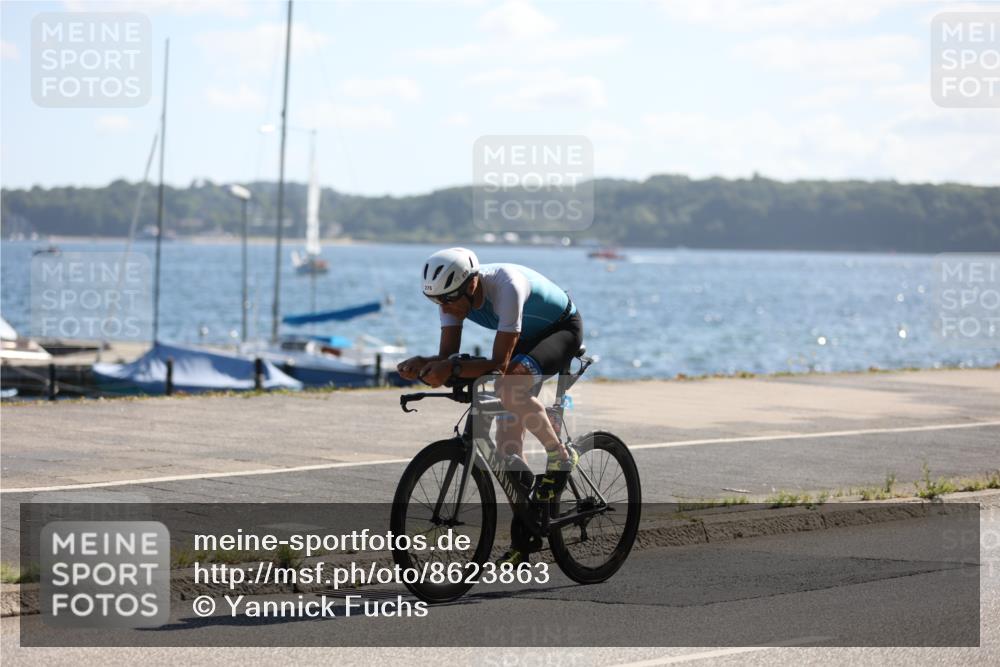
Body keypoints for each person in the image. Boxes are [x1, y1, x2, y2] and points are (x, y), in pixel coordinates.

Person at [397, 248, 583, 565]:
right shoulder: (450, 297)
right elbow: (448, 359)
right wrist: (424, 364)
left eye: (449, 299)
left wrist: (450, 370)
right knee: (508, 447)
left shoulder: (505, 286)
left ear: (471, 285)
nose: (445, 308)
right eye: (436, 302)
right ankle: (526, 535)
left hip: (560, 329)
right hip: (520, 336)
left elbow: (498, 364)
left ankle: (561, 455)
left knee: (509, 386)